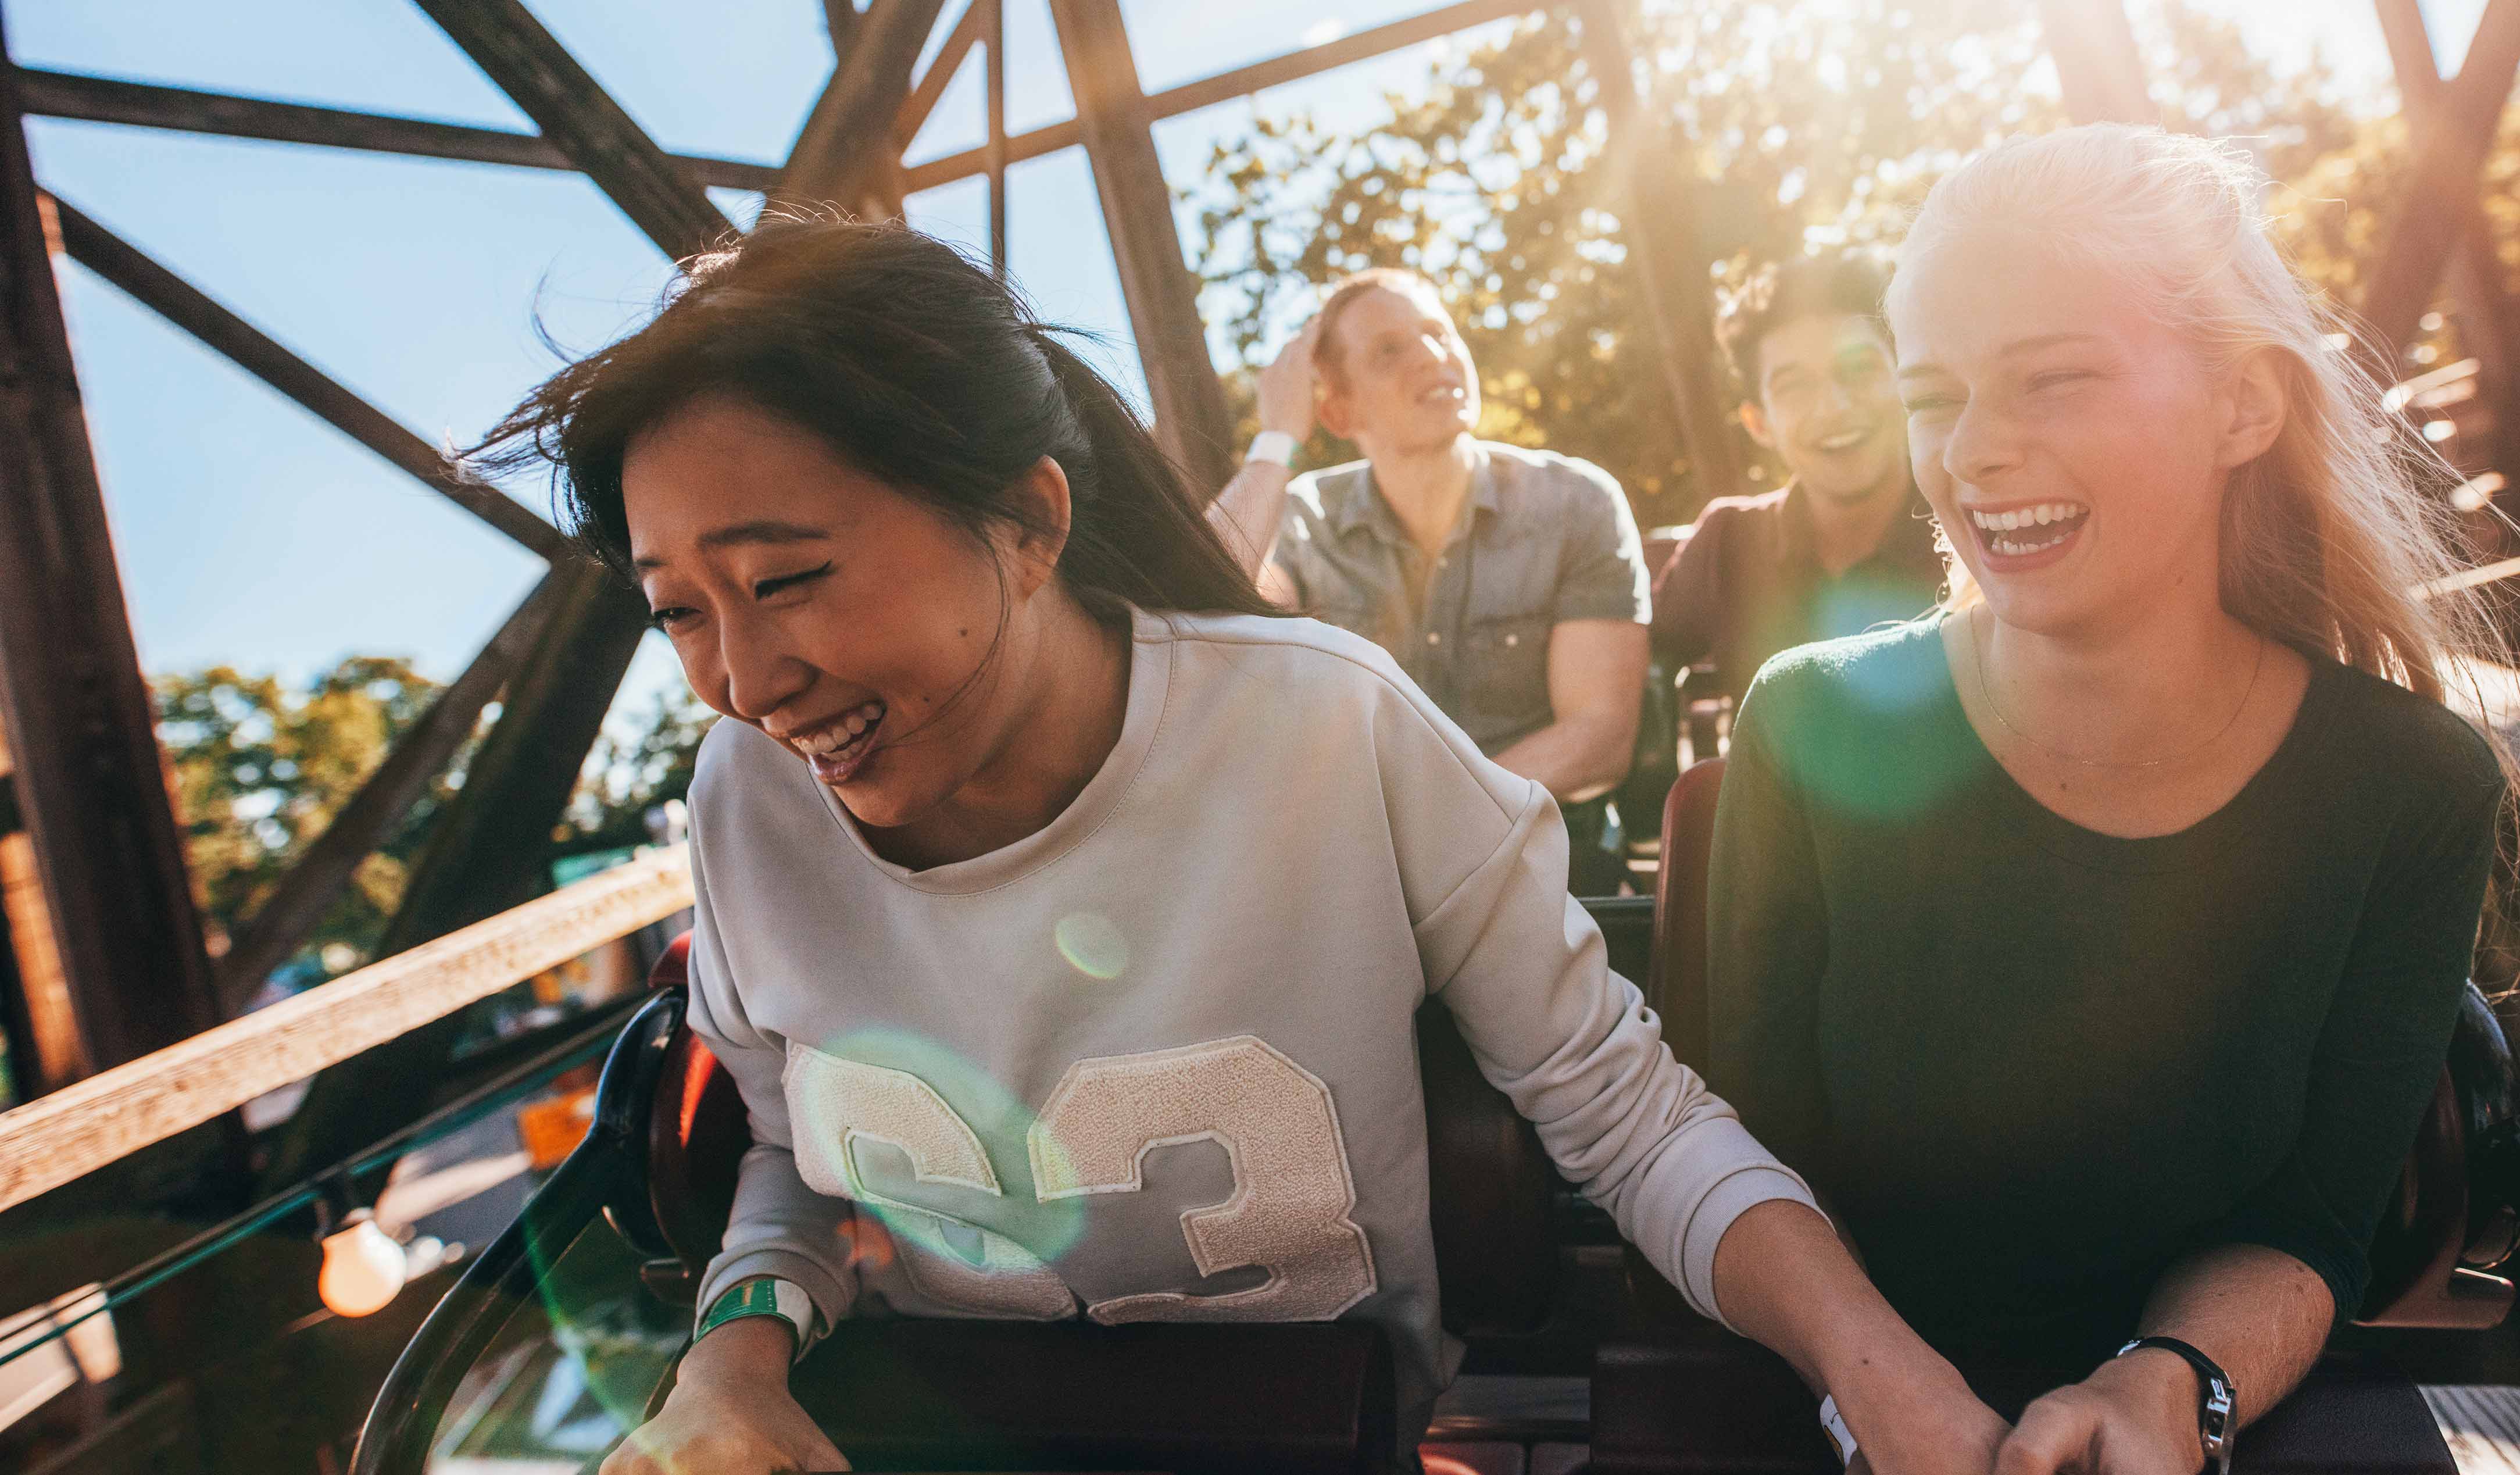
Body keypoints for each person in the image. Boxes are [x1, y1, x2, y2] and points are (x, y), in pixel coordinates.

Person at [471, 220, 1884, 1475]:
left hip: (1311, 1430)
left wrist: (1891, 1388)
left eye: (787, 580)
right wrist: (736, 1349)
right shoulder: (746, 797)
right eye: (680, 612)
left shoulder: (1326, 727)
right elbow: (791, 1154)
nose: (744, 679)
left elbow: (1627, 1121)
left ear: (1027, 522)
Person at [1706, 126, 2520, 1475]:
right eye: (1935, 394)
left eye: (2049, 380)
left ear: (2240, 406)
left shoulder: (2409, 785)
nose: (1973, 451)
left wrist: (2170, 1384)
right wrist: (1882, 1388)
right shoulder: (1804, 723)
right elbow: (1748, 1158)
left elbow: (2315, 1214)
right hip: (1834, 1397)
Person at [1206, 269, 1649, 891]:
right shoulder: (1303, 518)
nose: (1432, 356)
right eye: (1389, 351)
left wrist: (1428, 822)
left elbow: (1599, 734)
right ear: (1335, 408)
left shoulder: (1575, 501)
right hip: (1362, 879)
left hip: (1545, 860)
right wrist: (1275, 439)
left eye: (1439, 333)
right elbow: (1195, 615)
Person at [1653, 253, 1943, 706]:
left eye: (1859, 370)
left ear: (1906, 381)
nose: (1834, 407)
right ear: (1758, 423)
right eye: (1795, 387)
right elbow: (1635, 665)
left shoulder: (1974, 527)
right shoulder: (1727, 542)